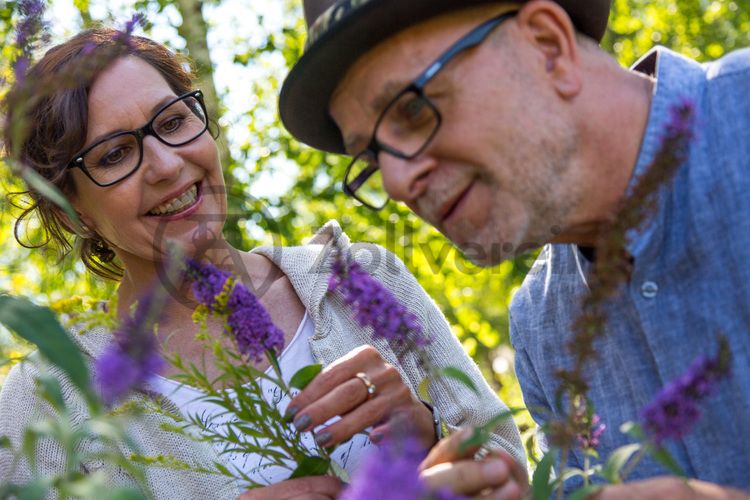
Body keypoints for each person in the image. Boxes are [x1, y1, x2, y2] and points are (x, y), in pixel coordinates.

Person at [0, 27, 524, 498]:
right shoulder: (48, 400)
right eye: (113, 155)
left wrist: (426, 432)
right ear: (71, 214)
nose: (166, 164)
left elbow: (513, 476)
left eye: (174, 121)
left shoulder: (359, 280)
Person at [279, 0, 750, 497]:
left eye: (413, 109)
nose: (398, 182)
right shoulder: (543, 325)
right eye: (372, 160)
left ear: (548, 46)